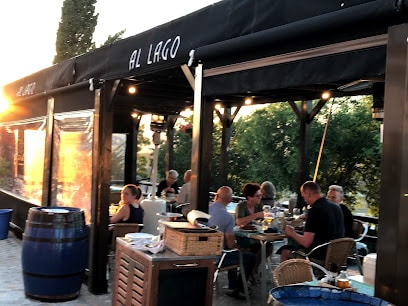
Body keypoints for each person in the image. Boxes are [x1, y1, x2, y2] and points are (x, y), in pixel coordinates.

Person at [208, 186, 256, 300]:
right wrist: (239, 247)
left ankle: (233, 286)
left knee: (234, 253)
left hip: (203, 254)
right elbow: (230, 245)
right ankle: (239, 287)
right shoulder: (228, 217)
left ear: (216, 196)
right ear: (230, 200)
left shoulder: (206, 210)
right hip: (218, 258)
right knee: (249, 257)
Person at [278, 181, 344, 262]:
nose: (304, 200)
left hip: (318, 257)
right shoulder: (337, 207)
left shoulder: (314, 210)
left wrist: (291, 233)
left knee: (284, 251)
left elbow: (306, 242)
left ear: (308, 193)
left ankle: (288, 274)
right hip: (336, 257)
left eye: (304, 196)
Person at [235, 183, 273, 282]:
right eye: (257, 196)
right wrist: (256, 215)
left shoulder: (259, 205)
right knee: (255, 249)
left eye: (261, 195)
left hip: (256, 236)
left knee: (268, 246)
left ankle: (254, 269)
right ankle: (252, 271)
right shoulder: (241, 206)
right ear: (249, 197)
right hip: (243, 238)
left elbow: (264, 221)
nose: (260, 197)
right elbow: (239, 222)